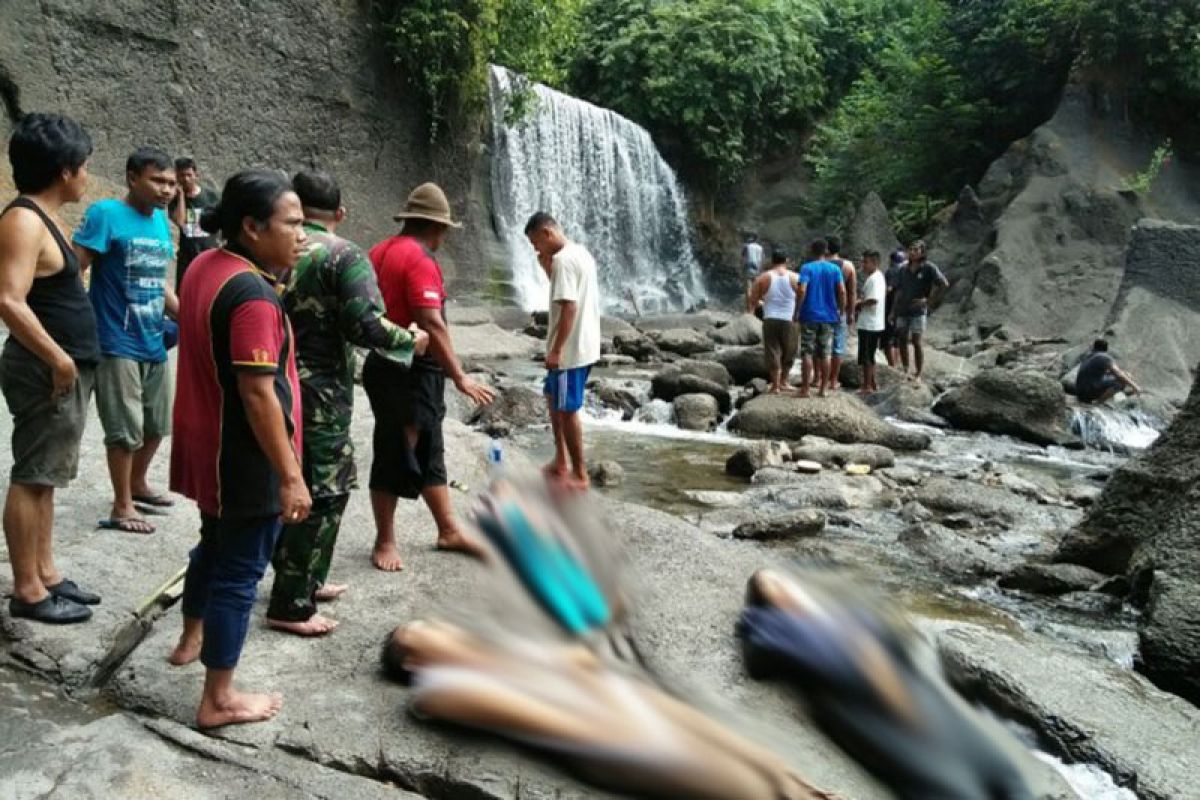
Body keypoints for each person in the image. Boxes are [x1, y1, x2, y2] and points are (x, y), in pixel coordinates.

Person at [166, 170, 311, 728]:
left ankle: (190, 636)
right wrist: (291, 474)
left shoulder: (206, 263)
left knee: (212, 544)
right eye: (293, 223)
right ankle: (218, 699)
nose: (304, 234)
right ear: (251, 227)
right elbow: (257, 394)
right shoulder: (252, 295)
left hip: (207, 445)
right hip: (244, 458)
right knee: (241, 572)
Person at [265, 171, 429, 636]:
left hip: (269, 382)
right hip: (320, 394)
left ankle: (306, 578)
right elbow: (368, 327)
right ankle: (292, 602)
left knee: (288, 478)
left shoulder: (274, 250)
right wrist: (411, 340)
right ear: (340, 213)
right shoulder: (342, 254)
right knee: (325, 489)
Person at [0, 113, 101, 624]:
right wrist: (59, 358)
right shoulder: (21, 220)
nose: (87, 174)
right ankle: (27, 591)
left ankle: (46, 573)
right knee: (32, 475)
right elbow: (8, 301)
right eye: (84, 166)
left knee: (47, 476)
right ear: (65, 170)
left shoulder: (44, 217)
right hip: (46, 368)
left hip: (61, 367)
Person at [364, 183, 495, 572]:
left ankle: (448, 529)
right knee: (396, 448)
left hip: (386, 360)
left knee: (429, 447)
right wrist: (460, 377)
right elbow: (431, 322)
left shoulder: (379, 250)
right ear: (436, 227)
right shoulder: (419, 259)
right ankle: (384, 539)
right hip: (410, 369)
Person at [73, 147, 179, 534]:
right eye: (158, 180)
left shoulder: (160, 223)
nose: (167, 190)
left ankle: (137, 484)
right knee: (125, 429)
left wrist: (188, 316)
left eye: (170, 183)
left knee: (157, 423)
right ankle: (122, 505)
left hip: (153, 337)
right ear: (132, 178)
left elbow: (156, 279)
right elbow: (75, 268)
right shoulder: (105, 214)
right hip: (114, 339)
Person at [524, 212, 601, 489]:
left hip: (570, 351)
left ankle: (579, 474)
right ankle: (560, 460)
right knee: (550, 393)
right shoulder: (578, 252)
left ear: (547, 234)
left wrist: (556, 350)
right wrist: (545, 266)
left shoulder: (564, 260)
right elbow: (564, 293)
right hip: (585, 342)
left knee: (567, 410)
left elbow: (569, 307)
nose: (536, 249)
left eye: (536, 243)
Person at [890, 240, 948, 382]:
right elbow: (898, 291)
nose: (912, 252)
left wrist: (928, 301)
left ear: (922, 252)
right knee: (902, 338)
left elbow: (944, 284)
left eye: (916, 250)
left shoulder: (929, 267)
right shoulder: (903, 269)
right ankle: (905, 369)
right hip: (902, 309)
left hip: (918, 310)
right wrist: (892, 311)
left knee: (916, 341)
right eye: (910, 249)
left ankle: (918, 373)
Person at [795, 239, 845, 398]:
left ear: (811, 250)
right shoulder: (834, 269)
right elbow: (842, 291)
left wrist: (797, 310)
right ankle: (823, 389)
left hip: (809, 315)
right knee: (825, 353)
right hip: (829, 316)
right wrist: (841, 310)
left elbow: (802, 290)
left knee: (807, 352)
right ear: (826, 251)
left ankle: (806, 389)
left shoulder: (806, 268)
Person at [747, 249, 798, 394]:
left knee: (772, 350)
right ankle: (785, 382)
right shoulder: (796, 278)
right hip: (790, 318)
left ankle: (775, 385)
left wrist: (763, 303)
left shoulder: (763, 278)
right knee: (790, 351)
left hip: (770, 318)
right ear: (786, 261)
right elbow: (803, 298)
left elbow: (753, 300)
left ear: (772, 261)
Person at [170, 156, 219, 289]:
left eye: (189, 175)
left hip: (209, 253)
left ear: (196, 175)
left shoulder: (211, 196)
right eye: (181, 175)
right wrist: (180, 197)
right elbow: (180, 221)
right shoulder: (174, 199)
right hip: (187, 255)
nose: (186, 179)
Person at [825, 236, 857, 392]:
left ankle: (819, 379)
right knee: (838, 346)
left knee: (821, 345)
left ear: (826, 248)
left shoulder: (819, 265)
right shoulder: (848, 266)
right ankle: (833, 380)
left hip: (821, 310)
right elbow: (851, 292)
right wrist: (851, 313)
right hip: (840, 310)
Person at [855, 250, 885, 395]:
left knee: (866, 355)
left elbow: (873, 300)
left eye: (865, 262)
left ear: (875, 263)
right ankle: (872, 383)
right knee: (869, 354)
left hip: (870, 323)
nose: (863, 265)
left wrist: (858, 303)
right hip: (873, 322)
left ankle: (866, 386)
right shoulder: (876, 277)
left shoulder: (874, 279)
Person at [1075, 339, 1140, 403]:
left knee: (1125, 375)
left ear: (1094, 347)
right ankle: (1098, 403)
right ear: (1106, 349)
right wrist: (1135, 386)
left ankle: (1106, 398)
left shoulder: (1089, 355)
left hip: (1079, 392)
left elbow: (1098, 372)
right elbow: (1118, 373)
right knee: (1120, 381)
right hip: (1088, 393)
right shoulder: (1104, 357)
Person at [882, 249, 906, 367]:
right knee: (897, 340)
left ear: (891, 261)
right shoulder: (906, 271)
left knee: (888, 340)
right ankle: (896, 365)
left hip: (891, 309)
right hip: (904, 310)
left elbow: (889, 289)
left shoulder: (891, 271)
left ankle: (892, 367)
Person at [741, 233, 764, 300]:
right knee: (756, 289)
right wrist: (761, 271)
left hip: (748, 268)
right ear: (757, 239)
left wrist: (742, 268)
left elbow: (743, 258)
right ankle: (755, 306)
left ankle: (749, 308)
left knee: (748, 288)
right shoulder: (760, 248)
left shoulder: (747, 246)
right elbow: (761, 260)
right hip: (757, 269)